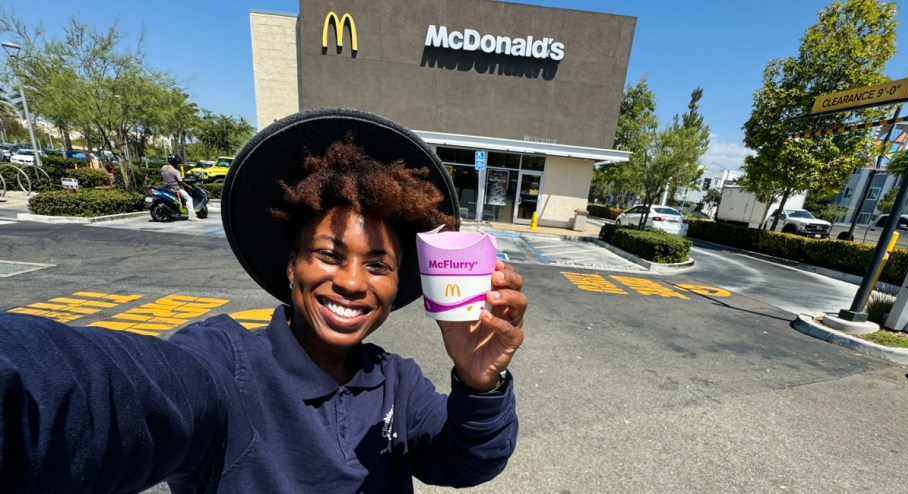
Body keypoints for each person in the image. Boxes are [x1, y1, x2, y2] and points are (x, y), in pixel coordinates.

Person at [0, 108, 527, 492]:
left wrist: (481, 385)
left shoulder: (398, 383)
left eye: (378, 265)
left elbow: (466, 463)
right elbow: (103, 394)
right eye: (327, 254)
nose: (351, 281)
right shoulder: (223, 366)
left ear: (396, 285)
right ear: (290, 265)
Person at [162, 154, 200, 221]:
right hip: (175, 189)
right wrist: (189, 186)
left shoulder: (163, 168)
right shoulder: (175, 171)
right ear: (175, 162)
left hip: (166, 188)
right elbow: (181, 182)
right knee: (189, 199)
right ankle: (192, 216)